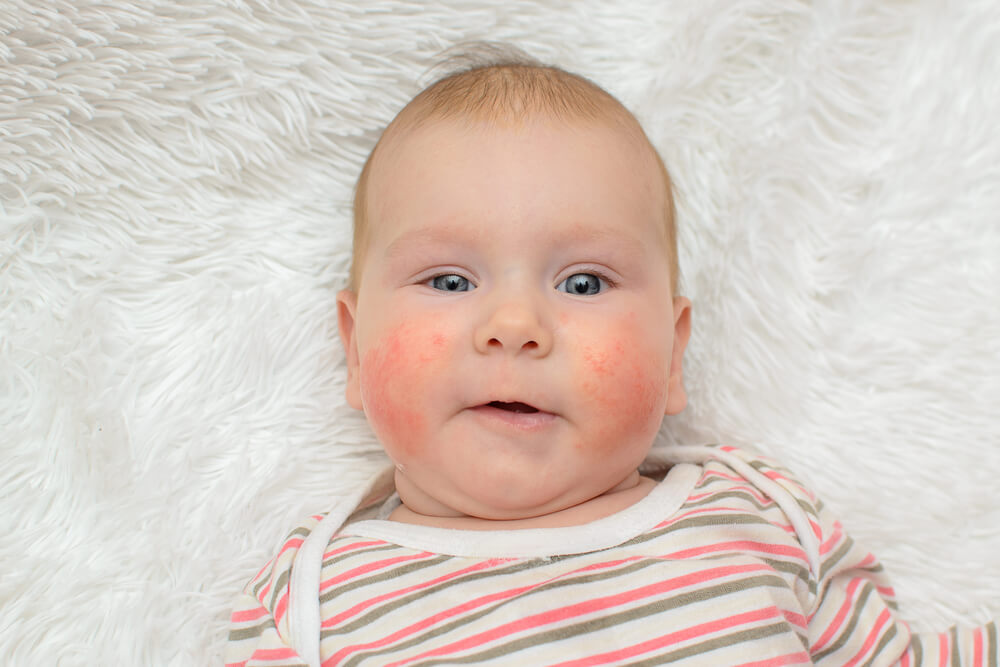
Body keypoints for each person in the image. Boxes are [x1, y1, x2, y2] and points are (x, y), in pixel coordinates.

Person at [225, 47, 996, 666]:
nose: (515, 325)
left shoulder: (759, 515)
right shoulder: (315, 600)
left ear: (672, 358)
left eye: (585, 281)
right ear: (355, 351)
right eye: (450, 279)